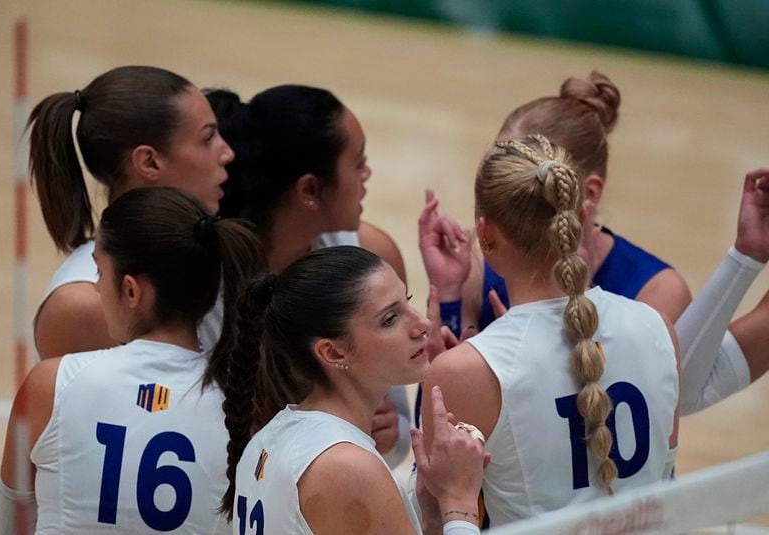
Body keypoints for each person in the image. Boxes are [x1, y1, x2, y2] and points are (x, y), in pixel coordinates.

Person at [420, 72, 769, 417]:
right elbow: (437, 421)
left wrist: (531, 342)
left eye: (522, 176)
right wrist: (447, 294)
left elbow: (666, 403)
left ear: (589, 192)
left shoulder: (658, 289)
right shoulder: (481, 263)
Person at [421, 135, 680, 527]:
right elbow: (666, 482)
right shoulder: (658, 328)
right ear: (575, 221)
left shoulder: (466, 372)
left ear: (485, 234)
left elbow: (435, 519)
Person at [0, 187, 266, 533]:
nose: (95, 288)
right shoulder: (245, 412)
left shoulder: (50, 386)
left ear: (131, 291)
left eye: (99, 272)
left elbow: (10, 525)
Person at [206, 86, 410, 467]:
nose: (367, 174)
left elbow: (397, 437)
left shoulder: (371, 255)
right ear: (311, 189)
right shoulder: (204, 278)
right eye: (357, 162)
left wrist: (390, 430)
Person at [221, 245, 488, 534]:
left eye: (407, 302)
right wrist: (459, 502)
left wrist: (433, 520)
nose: (422, 324)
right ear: (333, 353)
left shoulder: (270, 437)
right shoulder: (347, 466)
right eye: (390, 319)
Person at [29, 65, 234, 360]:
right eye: (207, 138)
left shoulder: (211, 247)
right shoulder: (85, 305)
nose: (227, 153)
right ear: (149, 162)